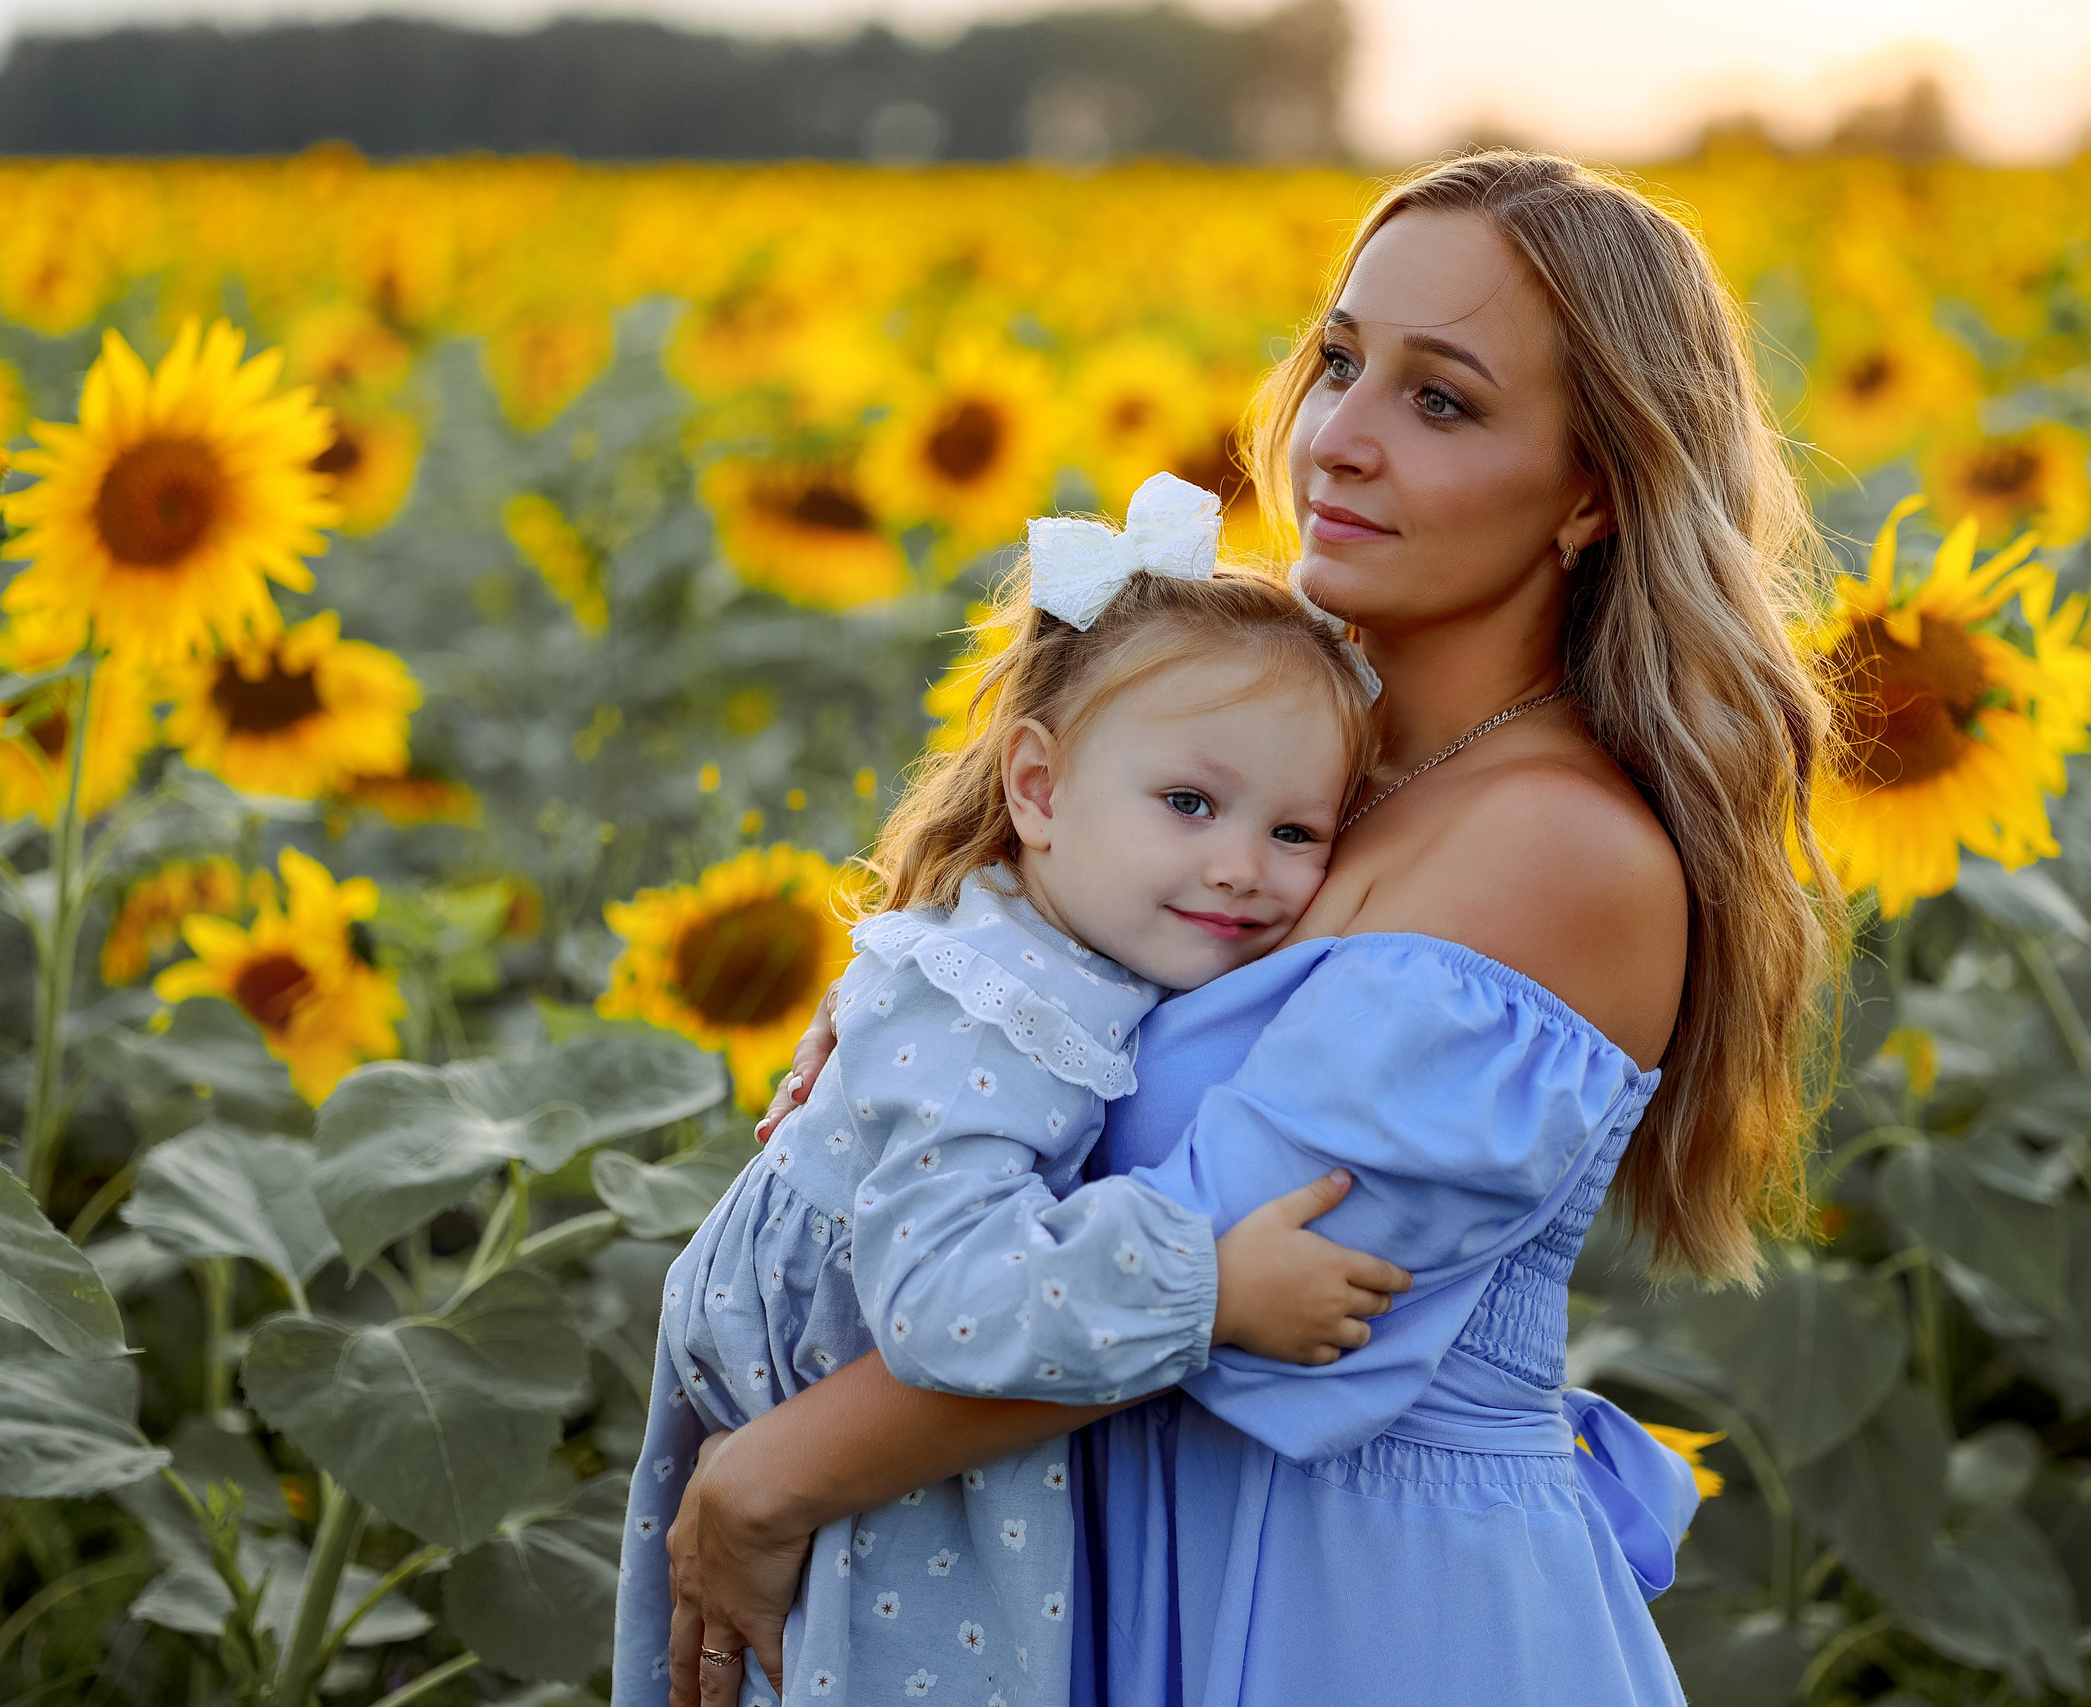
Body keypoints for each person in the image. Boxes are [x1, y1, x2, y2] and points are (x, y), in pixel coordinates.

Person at [672, 149, 1844, 1707]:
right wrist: (935, 1002)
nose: (1338, 440)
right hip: (1127, 1556)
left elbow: (1236, 1269)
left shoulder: (1555, 849)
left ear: (1591, 490)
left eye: (1443, 400)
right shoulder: (1291, 780)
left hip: (1350, 1603)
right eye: (1342, 360)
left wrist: (764, 1483)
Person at [616, 472, 1409, 1706]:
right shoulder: (995, 1011)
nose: (1242, 868)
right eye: (1189, 804)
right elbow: (945, 1303)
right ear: (1037, 789)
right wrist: (1208, 1289)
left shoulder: (1053, 950)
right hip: (880, 1528)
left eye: (1297, 833)